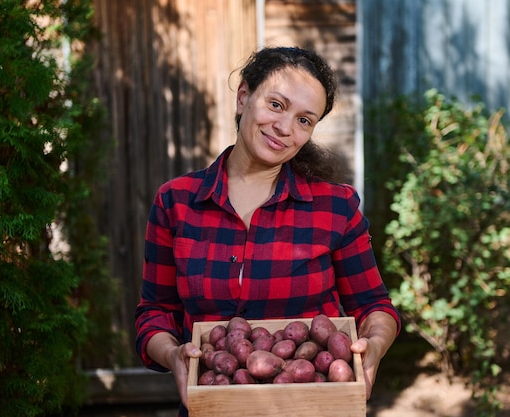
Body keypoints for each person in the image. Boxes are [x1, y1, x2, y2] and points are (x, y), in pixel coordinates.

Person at [134, 46, 401, 416]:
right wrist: (172, 353)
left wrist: (373, 346)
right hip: (213, 405)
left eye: (304, 120)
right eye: (276, 105)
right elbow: (155, 312)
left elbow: (374, 307)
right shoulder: (176, 202)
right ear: (244, 96)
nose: (285, 128)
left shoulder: (336, 208)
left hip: (314, 407)